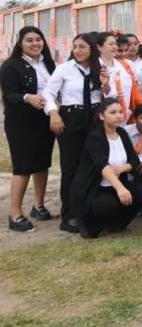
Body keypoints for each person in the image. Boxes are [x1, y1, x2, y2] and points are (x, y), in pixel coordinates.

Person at [43, 33, 105, 233]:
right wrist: (53, 113)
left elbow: (109, 96)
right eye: (75, 46)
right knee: (71, 167)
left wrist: (105, 83)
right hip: (71, 118)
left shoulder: (100, 68)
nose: (77, 50)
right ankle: (69, 214)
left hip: (95, 118)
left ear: (92, 49)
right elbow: (48, 93)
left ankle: (90, 210)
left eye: (82, 47)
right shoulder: (64, 69)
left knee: (94, 165)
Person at [2, 26, 57, 232]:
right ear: (20, 44)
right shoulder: (11, 66)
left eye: (38, 39)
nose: (35, 44)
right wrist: (27, 97)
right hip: (21, 123)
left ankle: (38, 205)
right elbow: (9, 96)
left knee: (42, 164)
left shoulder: (48, 63)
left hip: (45, 121)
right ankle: (15, 215)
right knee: (23, 167)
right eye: (29, 40)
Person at [70, 99, 142, 238]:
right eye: (113, 112)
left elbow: (134, 160)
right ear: (101, 116)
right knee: (107, 205)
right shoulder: (95, 137)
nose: (118, 116)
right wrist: (120, 188)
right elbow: (103, 167)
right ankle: (90, 226)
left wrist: (123, 168)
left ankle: (117, 224)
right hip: (95, 188)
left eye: (120, 112)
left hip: (116, 184)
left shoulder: (122, 133)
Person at [100, 32, 142, 124]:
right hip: (107, 114)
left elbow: (135, 89)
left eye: (125, 50)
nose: (123, 53)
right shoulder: (98, 65)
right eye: (120, 50)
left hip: (126, 113)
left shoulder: (128, 64)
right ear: (100, 47)